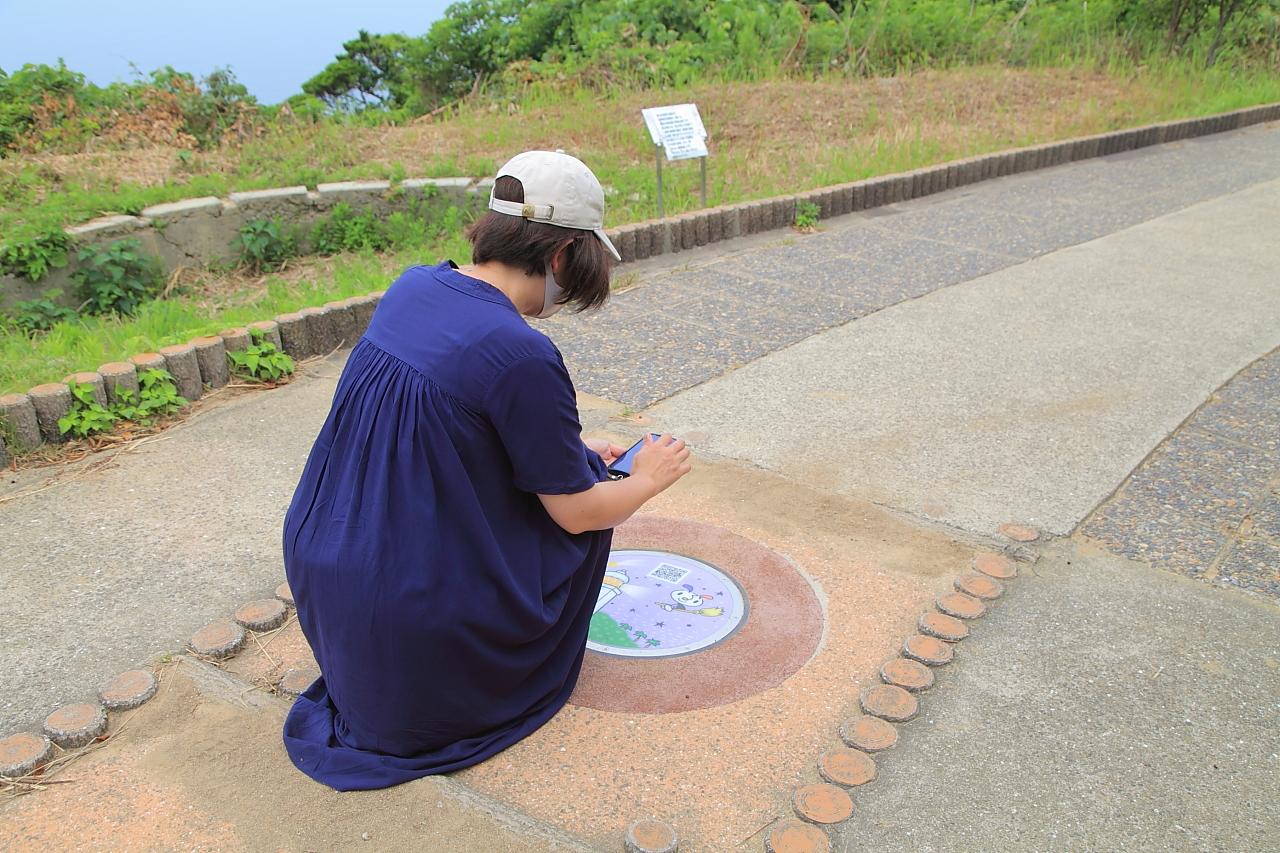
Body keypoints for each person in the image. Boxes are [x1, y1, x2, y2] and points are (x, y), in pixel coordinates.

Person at [281, 150, 692, 791]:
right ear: (562, 257)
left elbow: (451, 420)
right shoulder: (524, 351)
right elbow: (576, 512)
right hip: (413, 601)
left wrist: (571, 443)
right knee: (586, 521)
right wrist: (649, 477)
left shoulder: (412, 287)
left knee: (579, 465)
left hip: (327, 557)